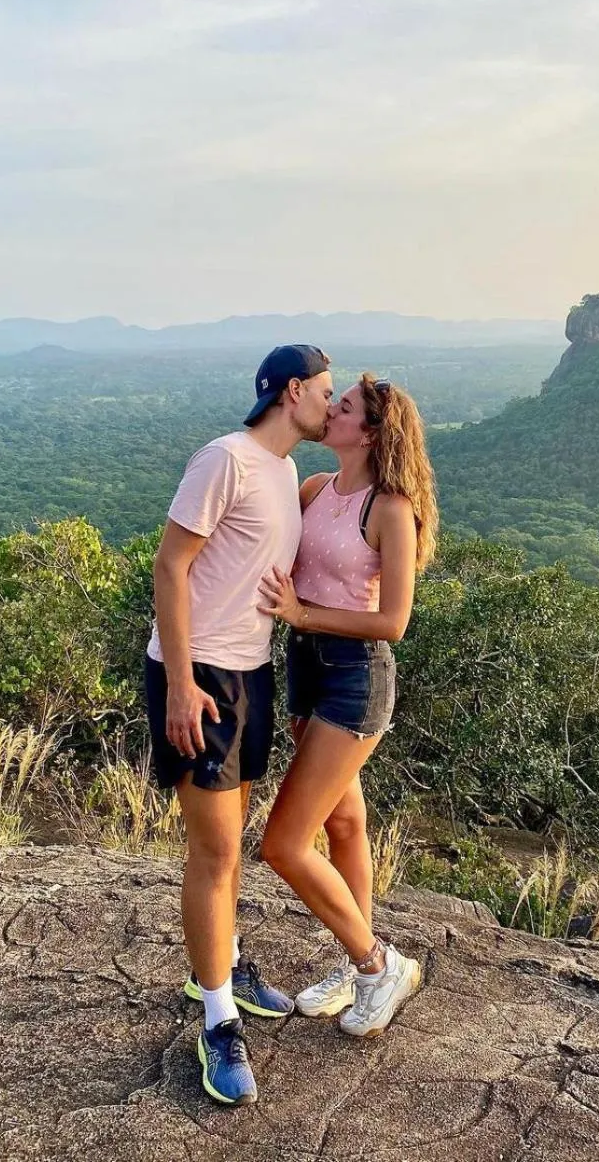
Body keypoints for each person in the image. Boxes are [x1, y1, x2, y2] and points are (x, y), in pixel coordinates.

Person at [143, 343, 332, 1106]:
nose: (330, 401)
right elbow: (169, 565)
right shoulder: (225, 458)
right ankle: (217, 1017)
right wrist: (182, 683)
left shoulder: (286, 472)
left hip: (251, 672)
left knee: (232, 843)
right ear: (293, 392)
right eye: (324, 390)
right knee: (216, 850)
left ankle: (215, 962)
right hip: (201, 676)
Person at [257, 373, 439, 1038]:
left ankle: (376, 962)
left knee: (282, 842)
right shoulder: (313, 488)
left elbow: (392, 620)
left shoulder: (388, 508)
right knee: (344, 827)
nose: (329, 412)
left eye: (343, 407)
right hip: (304, 668)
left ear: (371, 432)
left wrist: (302, 611)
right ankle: (354, 963)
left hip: (355, 680)